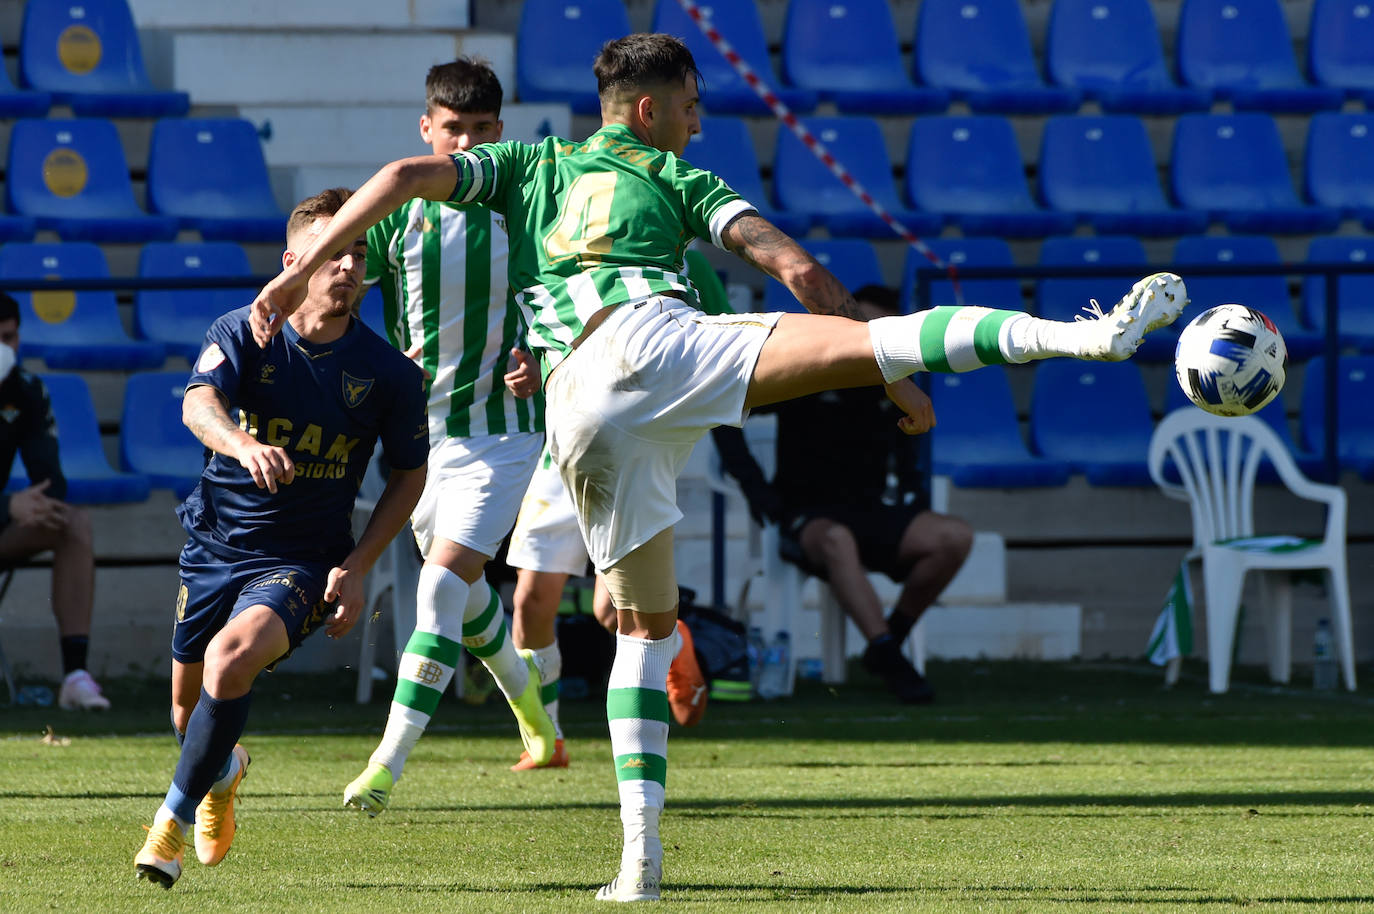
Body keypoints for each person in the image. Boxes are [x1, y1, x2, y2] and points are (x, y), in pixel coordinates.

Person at [246, 33, 1187, 902]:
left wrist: (296, 269)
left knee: (646, 638)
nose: (700, 121)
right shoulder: (681, 179)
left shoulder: (531, 165)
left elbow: (408, 172)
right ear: (650, 111)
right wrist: (891, 382)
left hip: (580, 413)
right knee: (887, 341)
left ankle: (638, 868)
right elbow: (801, 273)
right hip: (652, 344)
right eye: (692, 105)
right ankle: (1089, 336)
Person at [132, 187, 429, 890]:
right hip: (214, 545)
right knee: (185, 712)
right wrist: (241, 444)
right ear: (292, 263)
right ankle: (224, 769)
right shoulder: (242, 330)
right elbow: (197, 404)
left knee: (229, 661)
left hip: (301, 562)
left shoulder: (388, 373)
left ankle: (166, 828)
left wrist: (358, 566)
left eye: (358, 252)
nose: (348, 266)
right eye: (331, 253)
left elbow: (410, 478)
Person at [340, 57, 558, 816]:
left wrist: (546, 358)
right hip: (419, 441)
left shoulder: (526, 204)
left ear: (500, 133)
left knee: (439, 586)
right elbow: (337, 300)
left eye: (479, 130)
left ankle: (385, 767)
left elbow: (567, 298)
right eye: (450, 129)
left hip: (503, 433)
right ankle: (536, 717)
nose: (462, 143)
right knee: (462, 602)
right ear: (425, 128)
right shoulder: (396, 212)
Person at [503, 248, 727, 769]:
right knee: (531, 603)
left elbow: (720, 344)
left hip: (637, 443)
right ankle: (548, 738)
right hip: (566, 440)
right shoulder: (559, 249)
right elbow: (542, 338)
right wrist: (532, 370)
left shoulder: (682, 262)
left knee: (612, 611)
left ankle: (676, 643)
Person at [717, 285, 973, 704]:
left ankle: (887, 641)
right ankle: (891, 659)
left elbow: (909, 452)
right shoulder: (809, 373)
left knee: (954, 536)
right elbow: (724, 415)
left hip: (870, 511)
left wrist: (912, 490)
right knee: (837, 540)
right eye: (860, 325)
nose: (867, 335)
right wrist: (755, 487)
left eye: (876, 327)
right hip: (806, 515)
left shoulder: (894, 385)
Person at [0, 294, 106, 710]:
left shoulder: (25, 390)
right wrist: (8, 505)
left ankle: (75, 677)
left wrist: (27, 503)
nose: (2, 351)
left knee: (72, 521)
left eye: (8, 339)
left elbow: (51, 482)